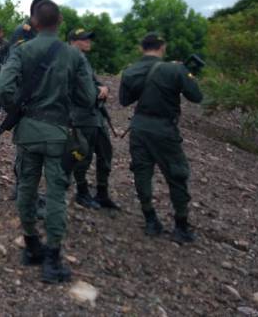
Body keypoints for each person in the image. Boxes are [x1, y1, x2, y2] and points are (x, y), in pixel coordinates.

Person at [0, 0, 95, 284]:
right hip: (58, 134)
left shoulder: (21, 50)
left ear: (34, 23)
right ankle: (52, 258)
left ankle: (31, 246)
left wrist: (19, 108)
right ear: (60, 22)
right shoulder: (74, 56)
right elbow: (87, 98)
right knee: (56, 194)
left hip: (27, 132)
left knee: (26, 187)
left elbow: (2, 88)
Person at [119, 32, 203, 243]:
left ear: (142, 48)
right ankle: (181, 225)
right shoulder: (174, 69)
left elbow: (124, 100)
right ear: (162, 47)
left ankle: (150, 219)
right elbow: (196, 96)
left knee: (142, 172)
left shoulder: (130, 71)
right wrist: (185, 73)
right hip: (164, 130)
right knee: (177, 173)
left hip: (139, 129)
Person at [62, 28, 119, 210]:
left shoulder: (83, 60)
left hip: (95, 115)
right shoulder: (68, 59)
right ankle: (82, 191)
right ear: (73, 41)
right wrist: (97, 92)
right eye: (84, 39)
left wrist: (102, 87)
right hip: (80, 115)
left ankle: (102, 192)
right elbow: (75, 89)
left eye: (88, 38)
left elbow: (92, 82)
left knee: (105, 153)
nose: (88, 41)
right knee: (82, 155)